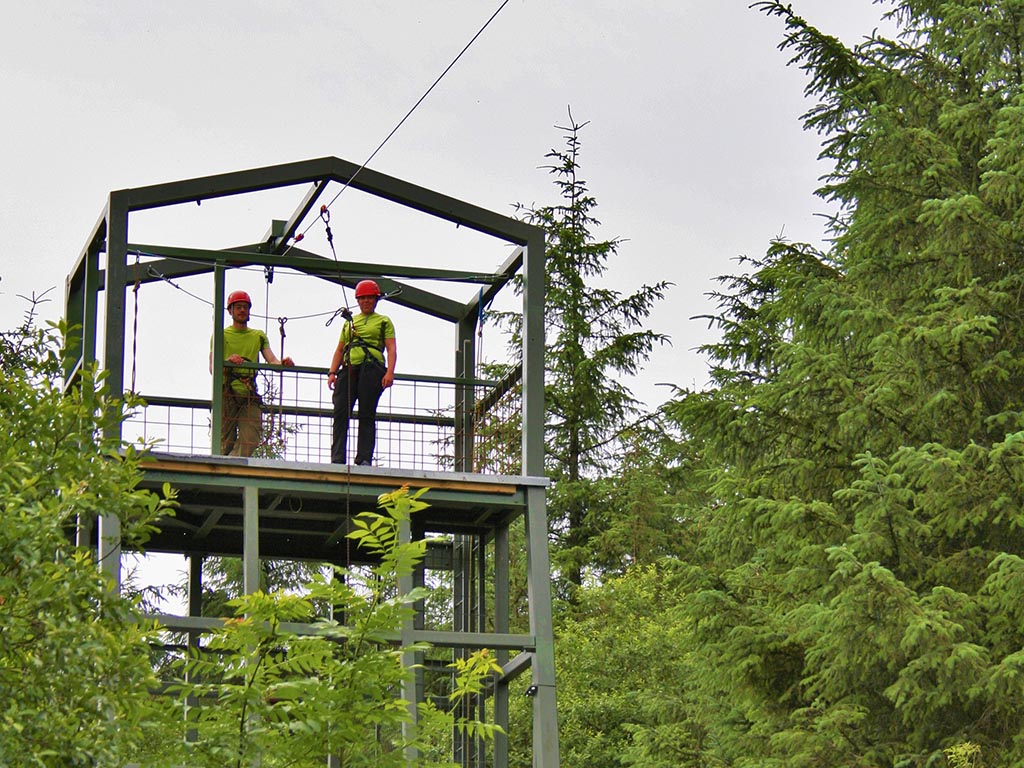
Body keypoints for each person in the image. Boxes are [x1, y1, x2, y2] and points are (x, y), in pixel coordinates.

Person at [210, 290, 294, 457]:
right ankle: (224, 466)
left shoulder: (258, 336)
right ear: (230, 311)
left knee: (251, 437)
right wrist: (227, 360)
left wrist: (283, 363)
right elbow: (213, 367)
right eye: (238, 307)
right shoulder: (221, 335)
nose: (242, 310)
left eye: (245, 307)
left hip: (248, 393)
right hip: (226, 392)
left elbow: (272, 360)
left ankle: (230, 465)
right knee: (224, 441)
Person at [327, 279, 397, 466]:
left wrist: (390, 372)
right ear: (357, 300)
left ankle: (364, 457)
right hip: (349, 367)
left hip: (371, 368)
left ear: (376, 300)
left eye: (370, 298)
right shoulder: (350, 322)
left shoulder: (383, 321)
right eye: (363, 298)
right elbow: (340, 349)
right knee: (341, 412)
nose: (366, 301)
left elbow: (391, 348)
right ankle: (337, 458)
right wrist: (332, 372)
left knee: (366, 413)